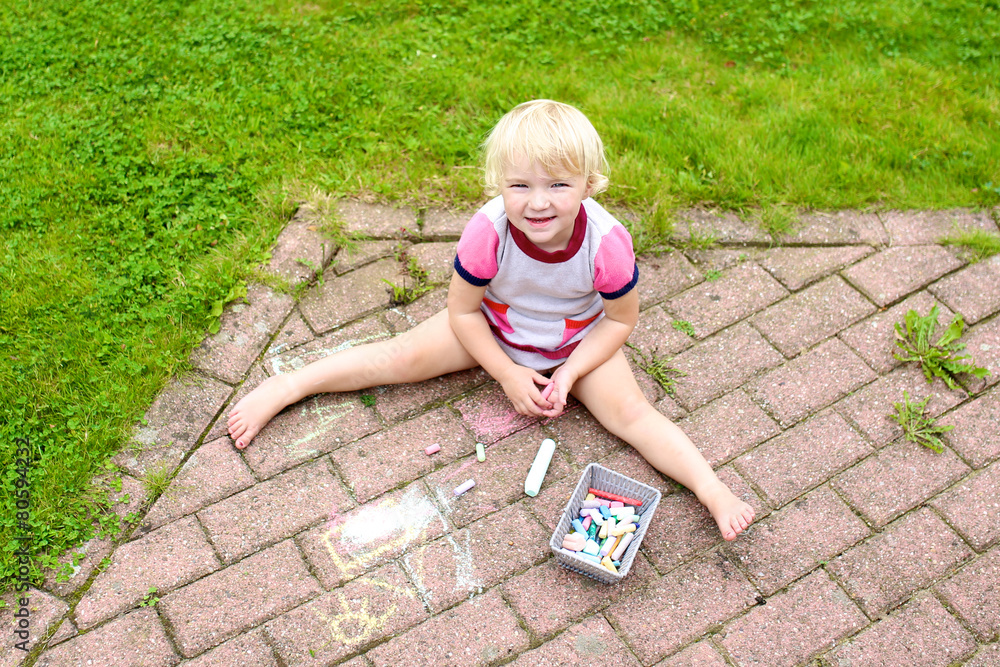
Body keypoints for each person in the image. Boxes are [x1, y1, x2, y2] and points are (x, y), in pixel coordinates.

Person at [227, 99, 754, 540]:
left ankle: (710, 488)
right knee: (401, 355)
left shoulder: (607, 244)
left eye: (558, 186)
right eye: (520, 185)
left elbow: (619, 322)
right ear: (498, 182)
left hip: (580, 342)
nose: (538, 203)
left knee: (634, 415)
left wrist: (569, 373)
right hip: (493, 326)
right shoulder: (488, 230)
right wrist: (505, 371)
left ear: (591, 184)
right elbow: (461, 310)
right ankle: (290, 386)